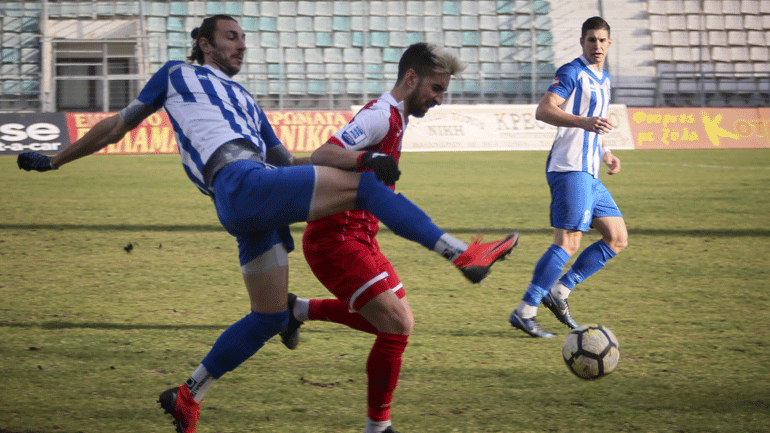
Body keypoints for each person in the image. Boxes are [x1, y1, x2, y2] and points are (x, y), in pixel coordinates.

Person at [17, 15, 518, 433]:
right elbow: (115, 126)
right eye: (231, 36)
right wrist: (56, 160)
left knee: (269, 316)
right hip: (238, 184)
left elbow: (296, 163)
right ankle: (462, 254)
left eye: (243, 39)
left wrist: (351, 163)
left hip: (254, 197)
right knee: (367, 190)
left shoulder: (249, 103)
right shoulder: (174, 74)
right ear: (203, 43)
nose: (241, 45)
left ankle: (189, 395)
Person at [275, 43, 516, 433]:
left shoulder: (396, 119)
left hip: (362, 238)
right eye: (436, 89)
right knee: (397, 323)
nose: (439, 99)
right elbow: (324, 154)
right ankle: (378, 427)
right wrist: (365, 159)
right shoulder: (380, 115)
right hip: (335, 241)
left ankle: (297, 311)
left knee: (394, 326)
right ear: (411, 78)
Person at [508, 16, 628, 338]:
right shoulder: (571, 72)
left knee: (617, 237)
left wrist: (606, 152)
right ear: (582, 42)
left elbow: (596, 125)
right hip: (569, 167)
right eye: (592, 40)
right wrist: (583, 122)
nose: (597, 46)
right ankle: (526, 310)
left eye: (603, 40)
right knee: (568, 241)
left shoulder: (604, 80)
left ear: (610, 43)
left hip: (590, 170)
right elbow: (544, 110)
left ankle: (559, 292)